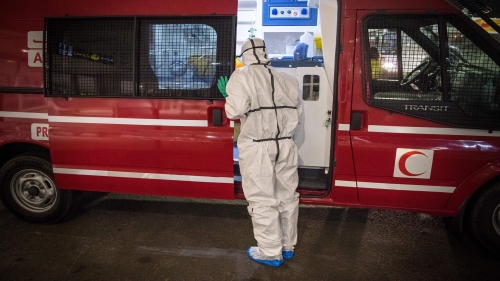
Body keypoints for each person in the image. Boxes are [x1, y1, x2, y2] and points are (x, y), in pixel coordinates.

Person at [217, 38, 302, 267]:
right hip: (285, 144)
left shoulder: (241, 77)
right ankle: (287, 246)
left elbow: (235, 111)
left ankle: (269, 252)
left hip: (257, 146)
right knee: (287, 196)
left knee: (262, 199)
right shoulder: (288, 79)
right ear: (265, 53)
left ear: (244, 55)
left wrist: (228, 94)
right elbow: (297, 113)